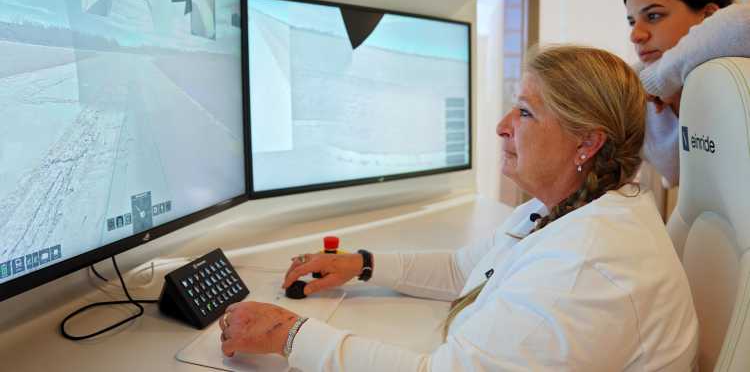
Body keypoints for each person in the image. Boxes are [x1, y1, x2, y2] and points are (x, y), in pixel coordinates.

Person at [218, 45, 698, 371]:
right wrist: (362, 264)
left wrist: (290, 335)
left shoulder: (588, 262)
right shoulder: (568, 208)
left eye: (526, 112)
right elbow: (462, 269)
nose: (502, 126)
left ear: (587, 142)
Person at [624, 0, 750, 186]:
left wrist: (659, 79)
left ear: (710, 16)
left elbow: (742, 20)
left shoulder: (739, 64)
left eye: (653, 16)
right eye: (632, 21)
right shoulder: (636, 86)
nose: (636, 35)